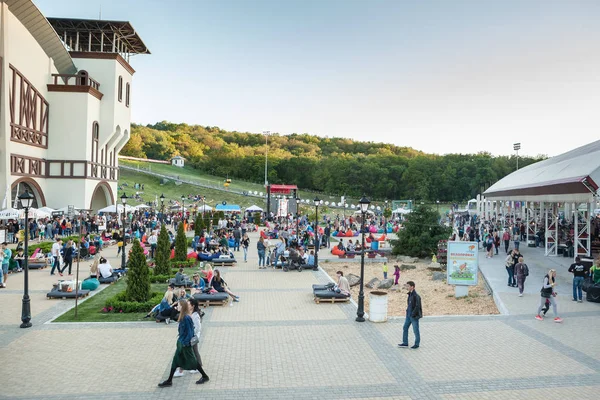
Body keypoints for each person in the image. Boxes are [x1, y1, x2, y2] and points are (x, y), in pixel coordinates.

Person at [158, 300, 209, 387]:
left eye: (178, 305)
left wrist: (185, 343)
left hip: (185, 344)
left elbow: (190, 332)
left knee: (193, 361)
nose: (177, 307)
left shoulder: (187, 318)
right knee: (175, 361)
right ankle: (169, 380)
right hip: (181, 343)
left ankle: (205, 376)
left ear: (182, 307)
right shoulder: (182, 316)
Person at [398, 281, 422, 349]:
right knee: (405, 327)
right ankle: (405, 343)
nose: (407, 287)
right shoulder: (410, 295)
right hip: (408, 315)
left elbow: (417, 306)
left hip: (413, 316)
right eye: (407, 286)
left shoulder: (416, 296)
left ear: (412, 287)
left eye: (408, 286)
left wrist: (412, 314)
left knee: (415, 330)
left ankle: (416, 344)